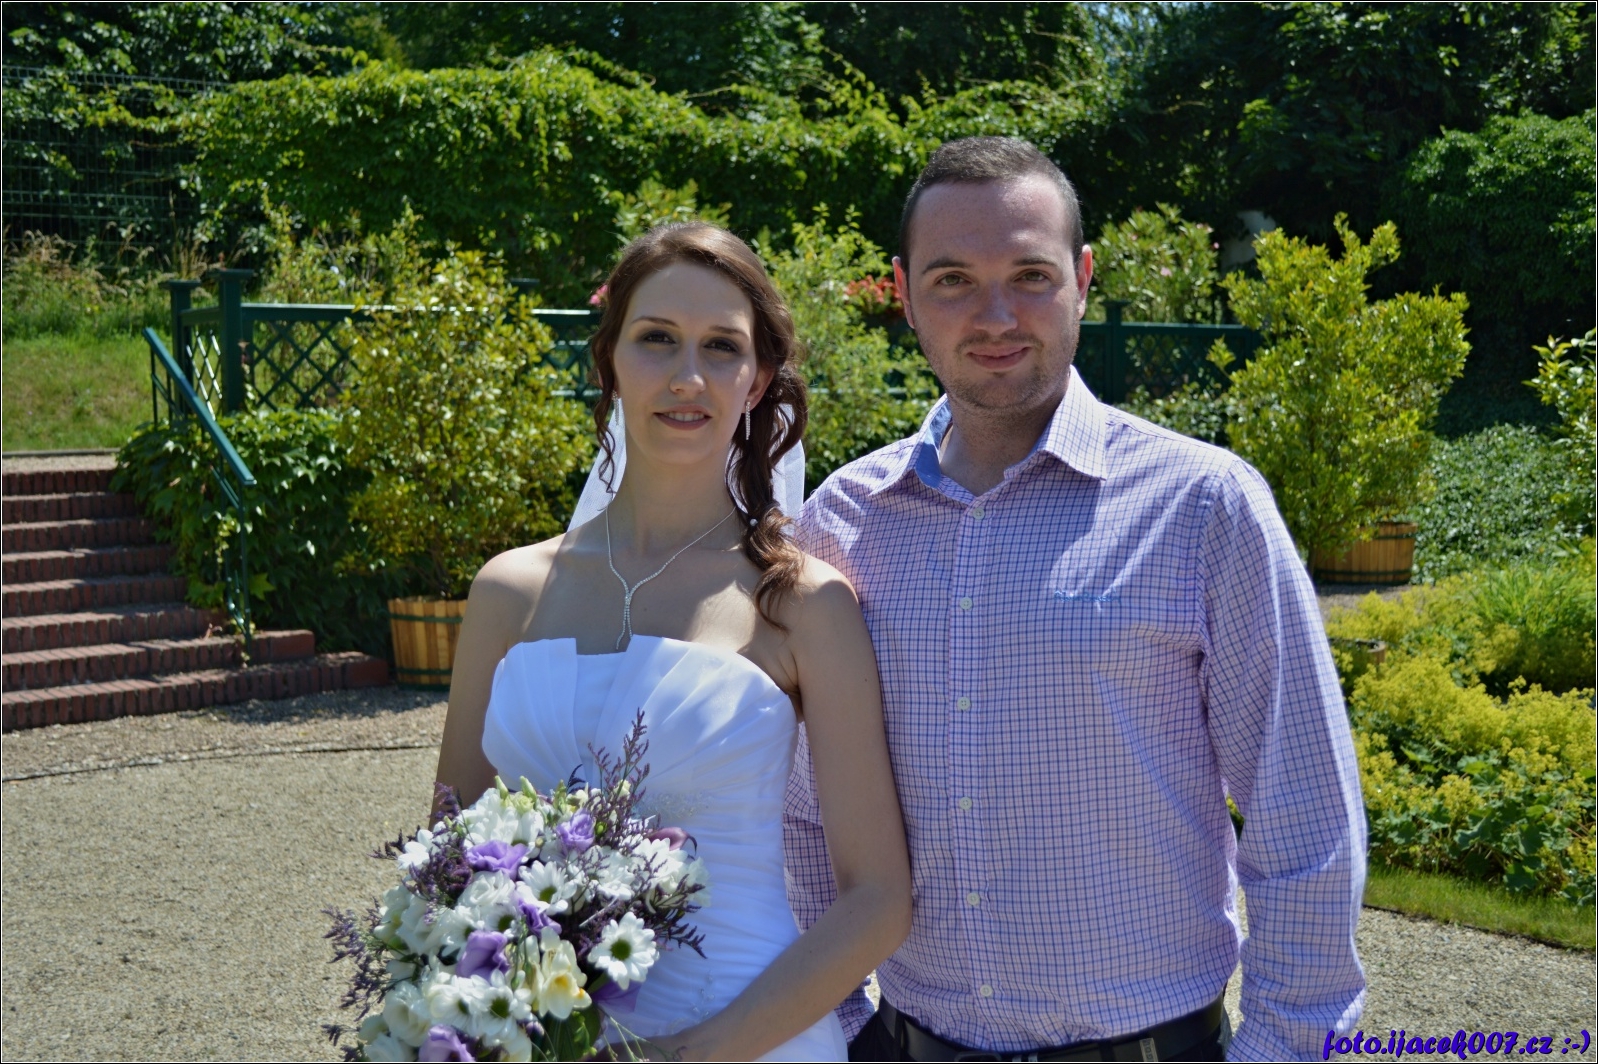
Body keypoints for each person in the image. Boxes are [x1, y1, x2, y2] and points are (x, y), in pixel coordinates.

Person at [784, 137, 1368, 1061]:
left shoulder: (1202, 506)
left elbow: (1304, 813)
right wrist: (841, 1029)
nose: (995, 316)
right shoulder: (843, 522)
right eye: (952, 280)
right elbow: (807, 813)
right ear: (903, 293)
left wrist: (1284, 1049)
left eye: (1030, 275)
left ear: (1083, 279)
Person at [434, 222, 912, 1062]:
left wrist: (688, 1056)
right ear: (609, 360)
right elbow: (451, 861)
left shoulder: (802, 605)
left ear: (756, 381)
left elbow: (877, 900)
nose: (687, 376)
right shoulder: (507, 593)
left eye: (721, 347)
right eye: (656, 338)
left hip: (750, 1038)